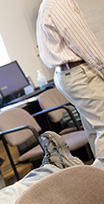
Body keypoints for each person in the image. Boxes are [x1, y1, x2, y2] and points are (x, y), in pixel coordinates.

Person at [36, 0, 104, 160]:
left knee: (94, 127)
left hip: (67, 73)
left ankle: (98, 178)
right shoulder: (59, 4)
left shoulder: (49, 4)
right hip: (78, 72)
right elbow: (85, 44)